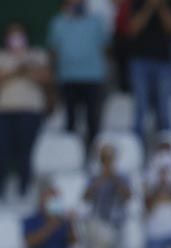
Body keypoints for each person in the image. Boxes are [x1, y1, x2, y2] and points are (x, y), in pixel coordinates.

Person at [0, 23, 52, 200]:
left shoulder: (37, 54)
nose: (16, 39)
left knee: (27, 152)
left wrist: (27, 68)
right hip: (4, 111)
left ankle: (25, 189)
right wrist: (16, 71)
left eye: (19, 34)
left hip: (31, 111)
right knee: (1, 151)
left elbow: (46, 77)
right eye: (12, 35)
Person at [47, 0, 109, 147]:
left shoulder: (97, 21)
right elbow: (54, 51)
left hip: (93, 77)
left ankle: (94, 158)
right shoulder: (58, 22)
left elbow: (105, 47)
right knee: (70, 121)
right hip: (68, 78)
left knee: (93, 121)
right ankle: (70, 158)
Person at [82, 143, 133, 248]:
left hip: (116, 226)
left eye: (109, 158)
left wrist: (113, 177)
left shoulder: (121, 177)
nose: (107, 162)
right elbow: (86, 197)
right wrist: (101, 179)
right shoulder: (95, 177)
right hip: (98, 226)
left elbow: (128, 195)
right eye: (104, 159)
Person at [127, 0, 171, 135]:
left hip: (163, 61)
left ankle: (167, 147)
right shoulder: (137, 3)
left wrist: (160, 6)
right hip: (140, 60)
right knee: (140, 108)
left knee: (164, 109)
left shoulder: (170, 3)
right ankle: (137, 147)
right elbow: (133, 28)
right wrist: (149, 7)